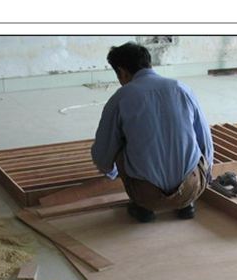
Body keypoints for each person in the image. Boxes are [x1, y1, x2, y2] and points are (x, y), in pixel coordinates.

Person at [91, 42, 214, 223]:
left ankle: (143, 209)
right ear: (148, 64)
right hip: (192, 189)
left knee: (117, 141)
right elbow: (205, 141)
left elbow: (102, 154)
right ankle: (185, 205)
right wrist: (205, 174)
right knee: (188, 135)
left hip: (146, 195)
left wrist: (112, 173)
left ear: (122, 72)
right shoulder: (181, 88)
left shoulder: (121, 98)